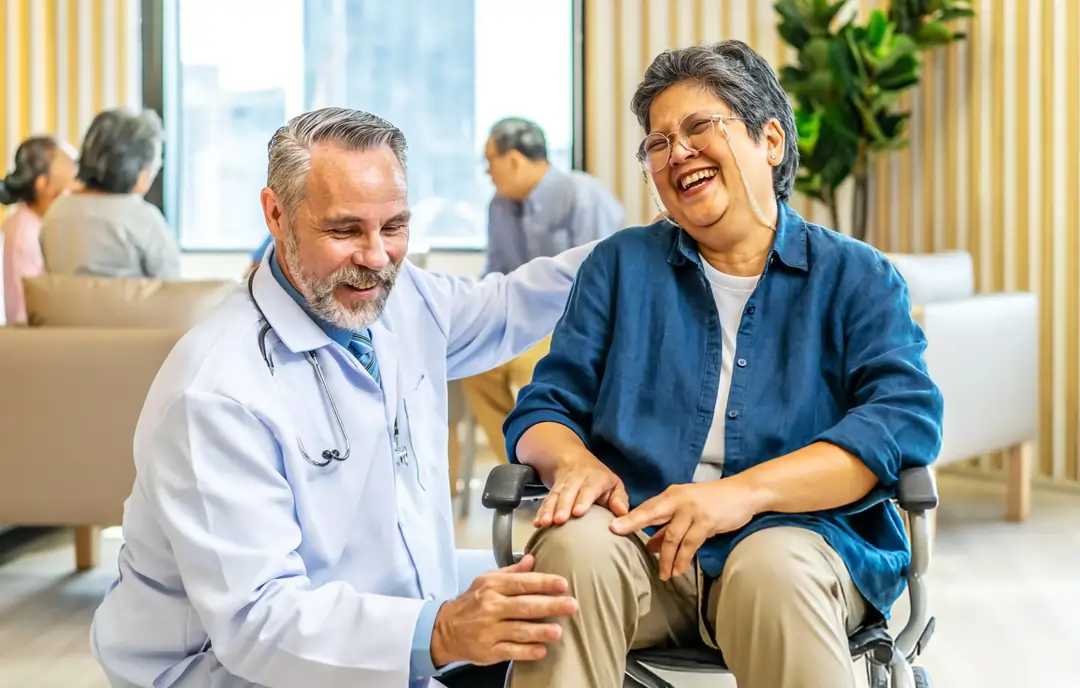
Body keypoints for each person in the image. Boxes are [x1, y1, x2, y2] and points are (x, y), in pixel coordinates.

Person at [89, 107, 592, 688]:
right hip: (229, 670)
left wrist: (638, 250)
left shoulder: (402, 300)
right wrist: (443, 630)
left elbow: (513, 303)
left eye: (395, 226)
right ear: (276, 215)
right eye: (345, 230)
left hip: (383, 633)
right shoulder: (216, 391)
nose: (377, 257)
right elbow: (258, 622)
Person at [501, 40, 944, 688]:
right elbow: (545, 405)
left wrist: (736, 497)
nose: (676, 152)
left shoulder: (857, 276)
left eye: (699, 127)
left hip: (799, 542)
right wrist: (572, 460)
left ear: (770, 140)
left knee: (773, 568)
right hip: (642, 545)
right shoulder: (620, 267)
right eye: (658, 142)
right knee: (572, 550)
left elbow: (900, 424)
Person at [460, 117, 623, 467]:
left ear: (514, 159)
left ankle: (559, 464)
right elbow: (496, 271)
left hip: (574, 326)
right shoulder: (498, 206)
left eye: (490, 161)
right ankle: (520, 466)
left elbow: (604, 278)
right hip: (520, 322)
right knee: (473, 369)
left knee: (530, 370)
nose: (487, 172)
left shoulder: (582, 194)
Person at [39, 107, 181, 279]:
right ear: (142, 174)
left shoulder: (55, 213)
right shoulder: (143, 219)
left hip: (66, 307)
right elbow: (173, 290)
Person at [0, 136, 77, 324]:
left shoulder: (34, 223)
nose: (78, 183)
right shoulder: (24, 232)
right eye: (72, 169)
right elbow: (23, 312)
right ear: (43, 184)